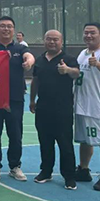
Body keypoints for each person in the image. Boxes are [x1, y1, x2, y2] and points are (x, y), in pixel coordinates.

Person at [0, 16, 34, 181]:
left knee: (16, 134)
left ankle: (15, 166)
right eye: (2, 26)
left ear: (14, 29)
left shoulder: (20, 48)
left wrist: (29, 62)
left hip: (15, 98)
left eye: (9, 26)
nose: (6, 29)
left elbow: (29, 56)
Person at [29, 30, 79, 190]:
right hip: (43, 108)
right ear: (44, 41)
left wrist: (68, 70)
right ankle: (46, 171)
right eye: (49, 39)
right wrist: (32, 100)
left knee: (65, 144)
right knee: (45, 142)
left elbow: (77, 73)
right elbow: (35, 80)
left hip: (62, 109)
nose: (52, 42)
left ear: (61, 42)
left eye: (55, 39)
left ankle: (69, 176)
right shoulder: (40, 60)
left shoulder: (69, 59)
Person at [74, 23, 100, 192]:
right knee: (85, 140)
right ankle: (84, 169)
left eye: (93, 33)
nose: (89, 36)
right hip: (81, 104)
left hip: (97, 105)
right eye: (86, 33)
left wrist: (97, 64)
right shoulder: (82, 53)